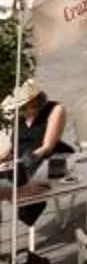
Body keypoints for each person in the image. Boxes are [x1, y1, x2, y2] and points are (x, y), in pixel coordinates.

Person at [5, 79, 69, 225]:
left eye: (23, 105)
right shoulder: (20, 118)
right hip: (19, 160)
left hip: (45, 157)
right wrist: (5, 158)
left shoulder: (55, 109)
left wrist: (24, 161)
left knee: (20, 176)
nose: (21, 110)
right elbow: (13, 146)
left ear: (34, 100)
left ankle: (27, 207)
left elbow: (48, 146)